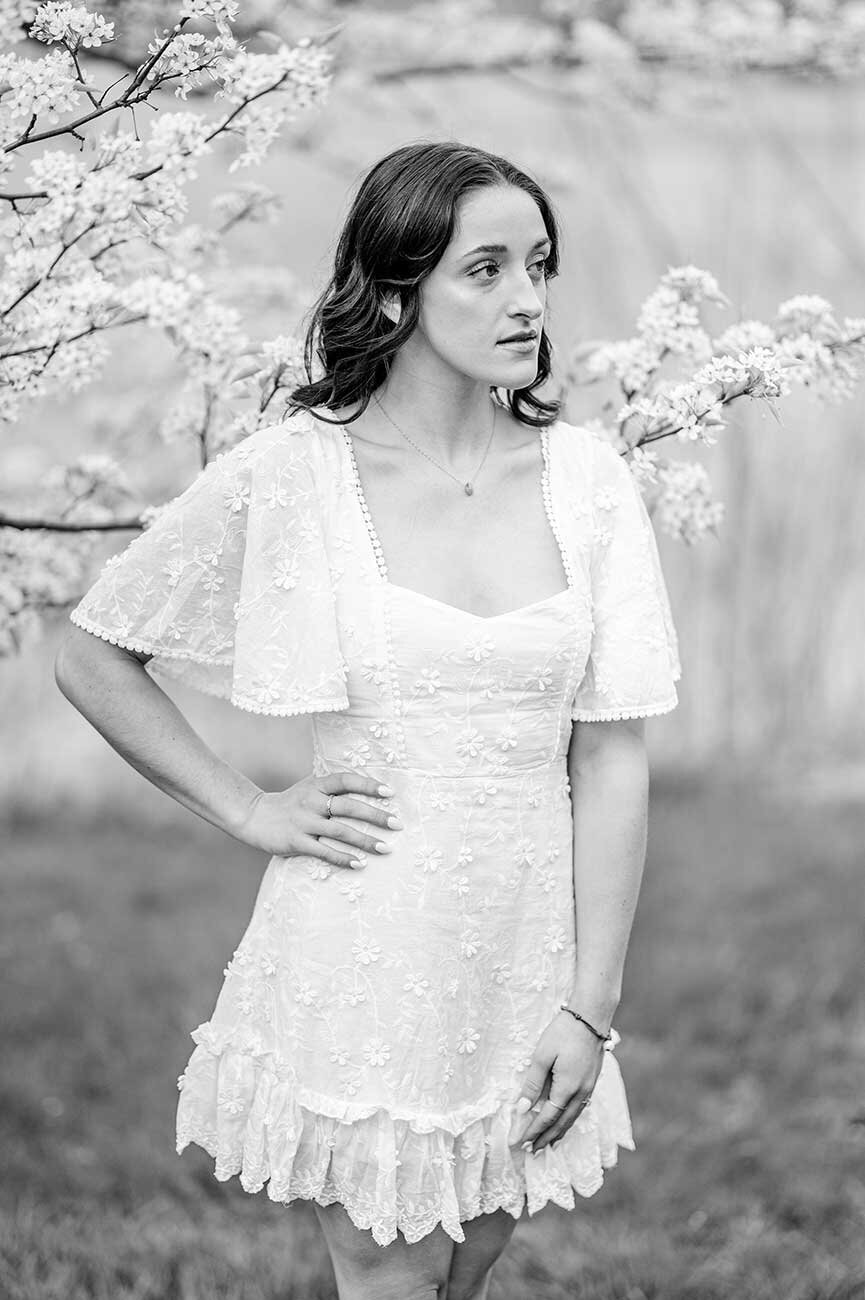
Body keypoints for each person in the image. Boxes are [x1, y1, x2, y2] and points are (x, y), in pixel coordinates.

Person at [55, 140, 682, 1300]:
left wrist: (589, 1006)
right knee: (390, 1274)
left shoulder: (587, 479)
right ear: (395, 290)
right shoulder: (296, 474)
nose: (528, 299)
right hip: (366, 951)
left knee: (466, 1269)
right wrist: (248, 807)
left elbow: (612, 753)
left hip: (529, 957)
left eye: (536, 264)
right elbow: (93, 653)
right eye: (483, 269)